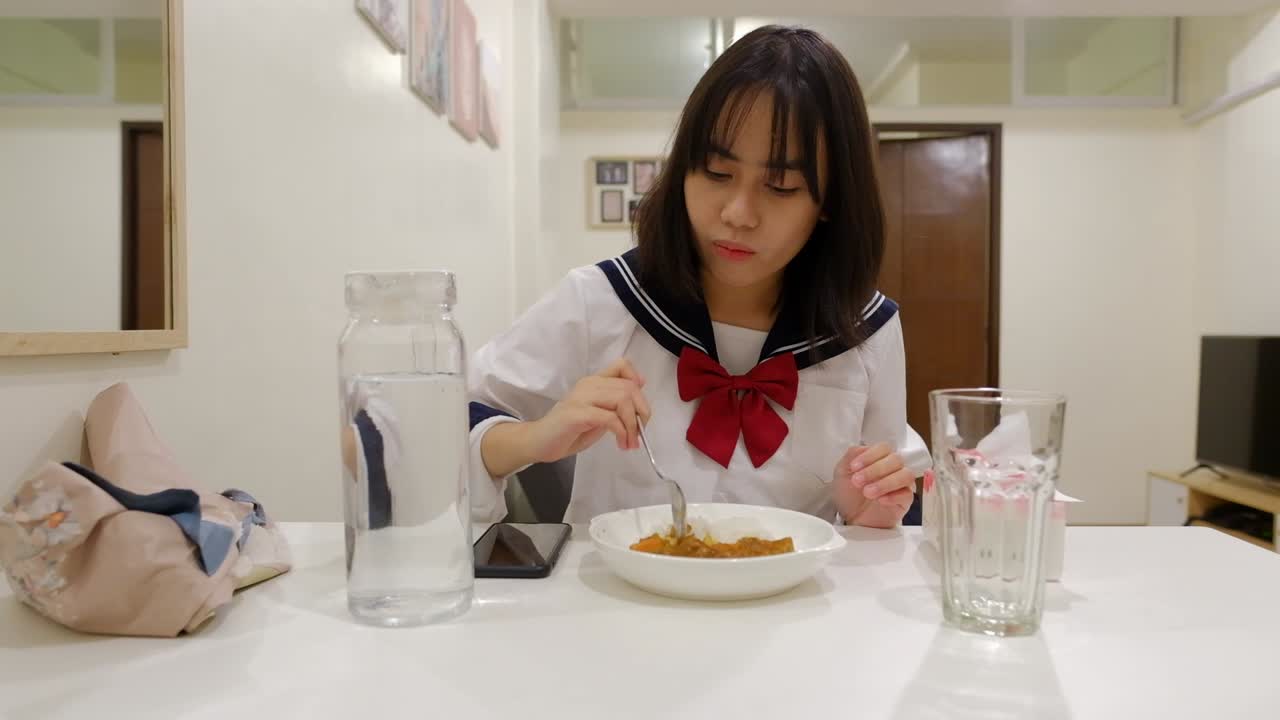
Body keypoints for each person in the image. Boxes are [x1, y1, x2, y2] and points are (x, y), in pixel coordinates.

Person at [468, 25, 930, 528]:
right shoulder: (600, 301)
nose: (738, 212)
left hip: (793, 605)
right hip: (609, 603)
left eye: (780, 186)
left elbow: (890, 517)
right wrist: (535, 438)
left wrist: (866, 513)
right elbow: (450, 426)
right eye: (715, 172)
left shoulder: (867, 332)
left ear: (829, 203)